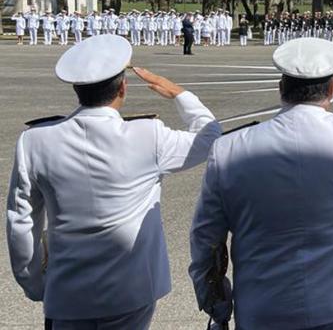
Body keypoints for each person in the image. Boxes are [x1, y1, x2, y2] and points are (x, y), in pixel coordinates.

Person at [189, 38, 333, 329]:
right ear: (332, 89)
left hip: (262, 307)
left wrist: (216, 306)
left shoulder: (229, 149)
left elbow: (206, 240)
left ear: (281, 88)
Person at [7, 35, 221, 330]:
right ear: (123, 87)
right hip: (131, 291)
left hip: (67, 291)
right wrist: (178, 93)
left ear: (76, 89)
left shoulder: (35, 141)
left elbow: (21, 221)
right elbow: (209, 137)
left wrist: (34, 283)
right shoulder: (149, 136)